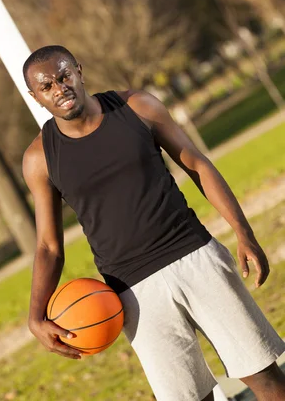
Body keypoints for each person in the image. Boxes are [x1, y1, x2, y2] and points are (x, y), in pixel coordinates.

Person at [22, 45, 285, 401]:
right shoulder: (40, 158)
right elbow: (48, 246)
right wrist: (36, 315)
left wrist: (244, 232)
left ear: (79, 71)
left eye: (64, 75)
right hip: (132, 291)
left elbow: (197, 165)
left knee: (264, 378)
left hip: (195, 256)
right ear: (35, 96)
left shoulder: (136, 107)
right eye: (47, 85)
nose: (59, 88)